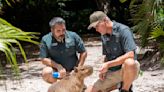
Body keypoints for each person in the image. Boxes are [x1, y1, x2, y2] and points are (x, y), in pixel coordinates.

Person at [86, 11, 140, 92]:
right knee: (89, 90)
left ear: (105, 20)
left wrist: (108, 64)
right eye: (94, 28)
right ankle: (119, 85)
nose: (96, 30)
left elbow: (130, 55)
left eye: (97, 26)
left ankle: (125, 89)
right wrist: (104, 71)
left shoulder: (124, 30)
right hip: (113, 71)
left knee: (129, 62)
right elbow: (107, 56)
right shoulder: (103, 35)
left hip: (128, 70)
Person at [39, 17, 87, 84]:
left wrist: (78, 67)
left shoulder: (73, 36)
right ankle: (57, 86)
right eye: (58, 31)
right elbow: (43, 59)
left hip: (74, 71)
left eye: (63, 30)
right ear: (52, 30)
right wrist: (58, 66)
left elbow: (83, 52)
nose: (62, 33)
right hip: (58, 73)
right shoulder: (45, 39)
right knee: (47, 73)